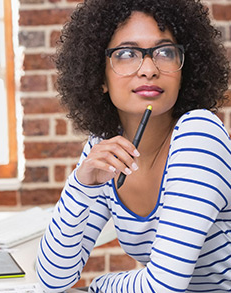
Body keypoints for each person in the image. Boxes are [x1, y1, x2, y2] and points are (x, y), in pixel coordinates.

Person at [36, 0, 231, 292]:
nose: (149, 69)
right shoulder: (106, 149)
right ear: (99, 75)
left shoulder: (199, 135)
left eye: (165, 52)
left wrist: (98, 287)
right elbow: (52, 279)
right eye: (127, 53)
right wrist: (80, 185)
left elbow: (163, 286)